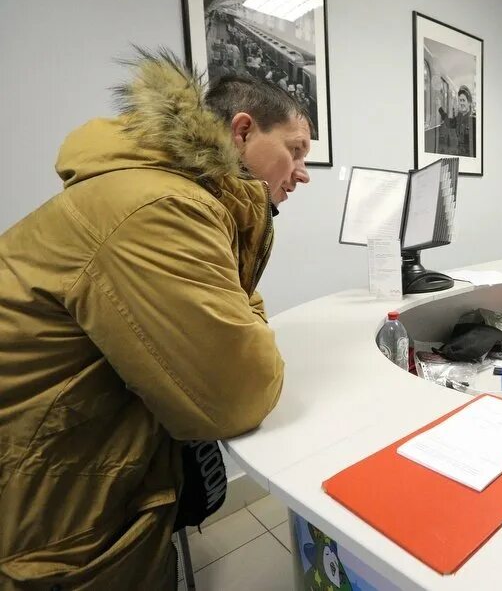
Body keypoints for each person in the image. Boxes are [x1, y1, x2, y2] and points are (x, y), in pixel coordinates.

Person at [0, 49, 311, 589]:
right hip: (52, 496)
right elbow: (236, 396)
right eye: (295, 151)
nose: (303, 173)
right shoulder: (158, 207)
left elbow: (235, 311)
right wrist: (253, 327)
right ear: (242, 132)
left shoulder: (165, 193)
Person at [436, 85, 476, 157]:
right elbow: (449, 123)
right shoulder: (459, 116)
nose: (461, 103)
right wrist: (440, 108)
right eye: (460, 100)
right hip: (460, 154)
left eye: (463, 100)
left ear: (469, 102)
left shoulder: (474, 120)